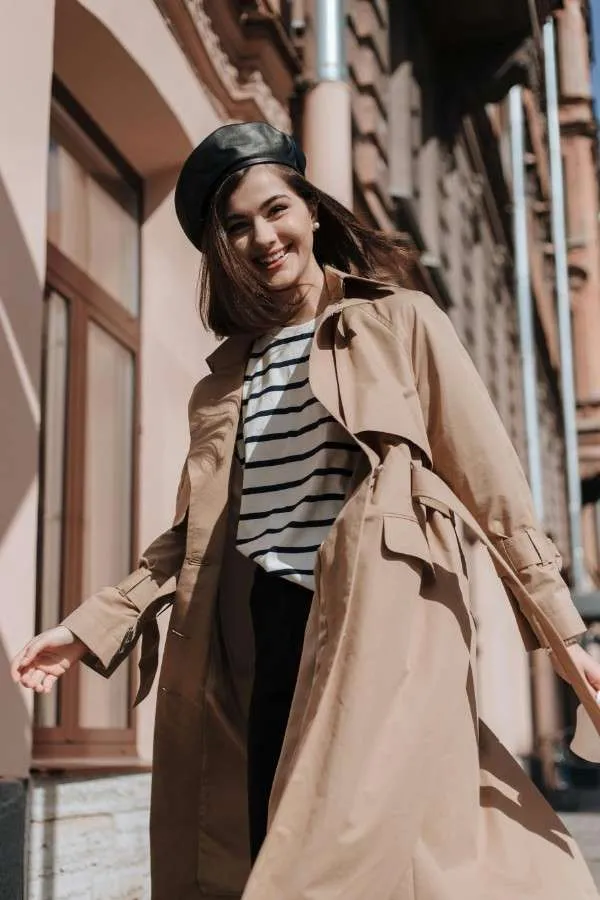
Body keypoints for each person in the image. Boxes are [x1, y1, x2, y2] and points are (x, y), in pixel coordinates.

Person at [11, 122, 600, 900]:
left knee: (340, 852)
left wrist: (567, 634)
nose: (264, 236)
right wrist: (88, 628)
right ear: (220, 248)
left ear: (313, 210)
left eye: (276, 208)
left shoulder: (401, 322)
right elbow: (190, 541)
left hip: (378, 617)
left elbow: (492, 484)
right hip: (262, 632)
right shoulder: (225, 381)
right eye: (237, 226)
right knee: (270, 834)